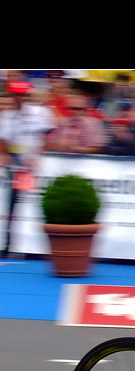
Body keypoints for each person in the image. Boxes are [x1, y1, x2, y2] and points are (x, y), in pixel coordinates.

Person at [0, 81, 56, 256]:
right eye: (15, 95)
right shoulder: (8, 116)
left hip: (33, 166)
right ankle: (11, 245)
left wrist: (38, 155)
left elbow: (47, 134)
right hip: (16, 166)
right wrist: (6, 156)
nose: (18, 99)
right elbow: (4, 141)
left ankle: (37, 246)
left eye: (21, 95)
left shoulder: (39, 112)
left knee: (33, 205)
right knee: (13, 206)